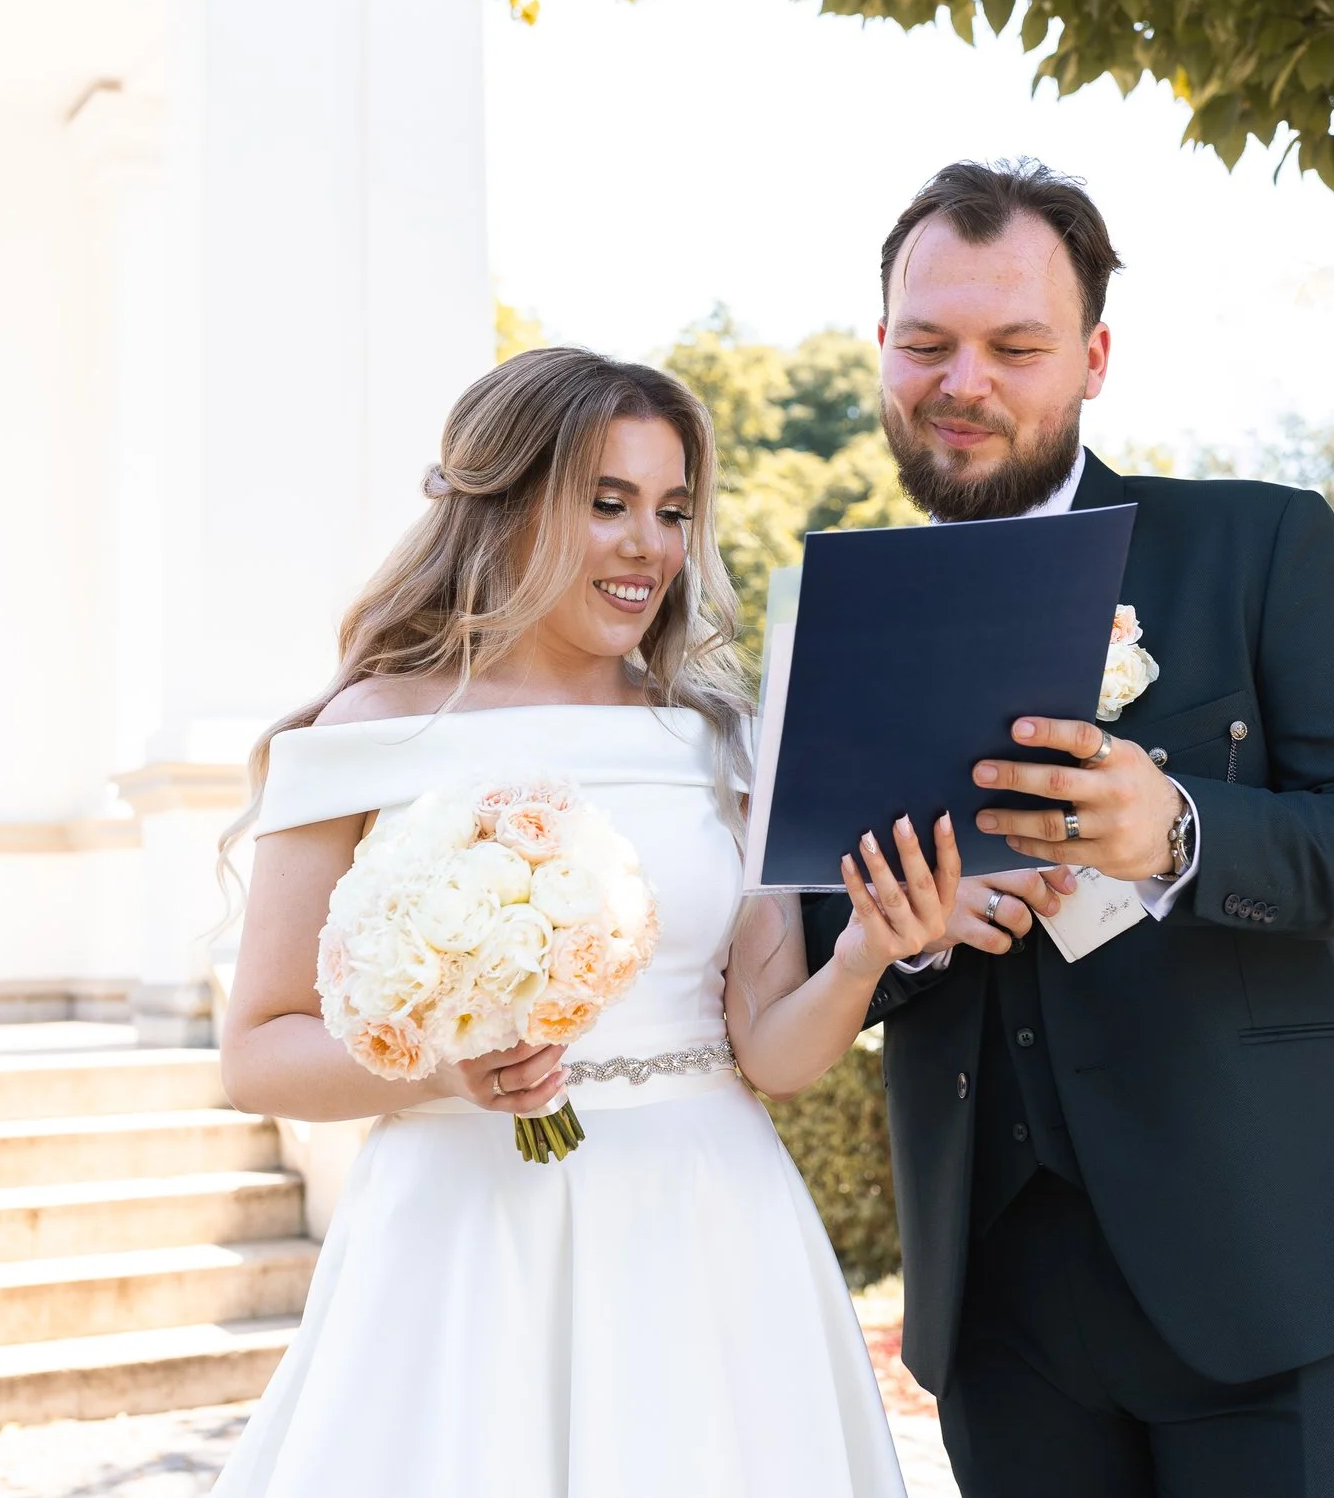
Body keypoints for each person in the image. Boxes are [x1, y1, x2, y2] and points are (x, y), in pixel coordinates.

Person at [805, 159, 1334, 1498]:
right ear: (883, 349)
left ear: (1093, 358)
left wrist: (1179, 829)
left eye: (1015, 346)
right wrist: (905, 938)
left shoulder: (1257, 546)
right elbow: (806, 928)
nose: (962, 381)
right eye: (926, 342)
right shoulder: (837, 615)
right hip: (998, 1306)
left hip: (1278, 1268)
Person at [213, 347, 957, 1497]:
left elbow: (770, 1050)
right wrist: (447, 1071)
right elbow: (259, 1049)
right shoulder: (367, 730)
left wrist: (863, 951)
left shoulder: (726, 740)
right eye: (605, 503)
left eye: (670, 511)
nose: (646, 546)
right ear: (505, 503)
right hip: (464, 1240)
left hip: (709, 1227)